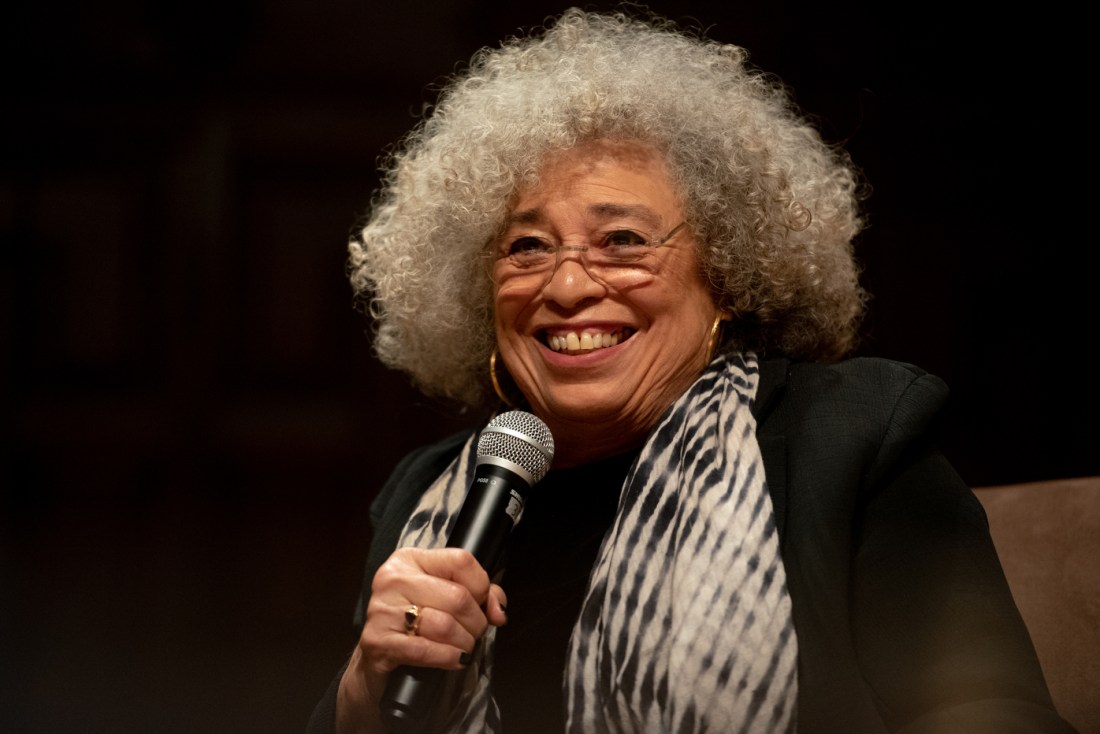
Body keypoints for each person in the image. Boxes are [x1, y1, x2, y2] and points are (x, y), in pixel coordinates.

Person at [308, 8, 1076, 734]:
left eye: (622, 240)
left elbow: (988, 711)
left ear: (727, 273)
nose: (567, 286)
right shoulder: (431, 494)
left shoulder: (851, 442)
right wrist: (363, 692)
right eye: (527, 247)